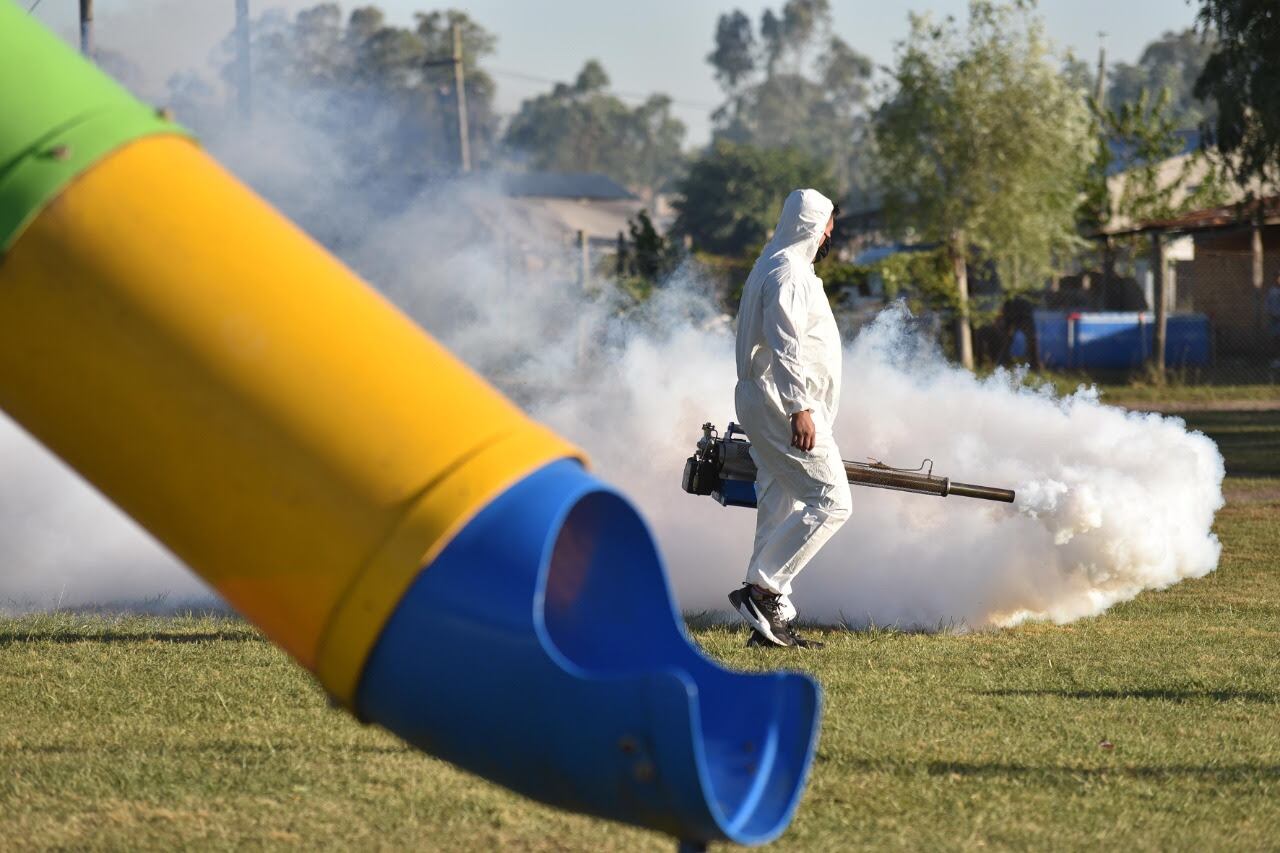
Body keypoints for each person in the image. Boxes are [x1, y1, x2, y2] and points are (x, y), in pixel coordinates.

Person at [728, 188, 851, 648]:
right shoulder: (788, 274)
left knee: (779, 503)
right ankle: (763, 590)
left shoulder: (775, 263)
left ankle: (768, 625)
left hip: (769, 401)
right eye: (827, 226)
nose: (830, 234)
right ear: (811, 227)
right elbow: (786, 345)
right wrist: (800, 406)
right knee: (832, 501)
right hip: (783, 404)